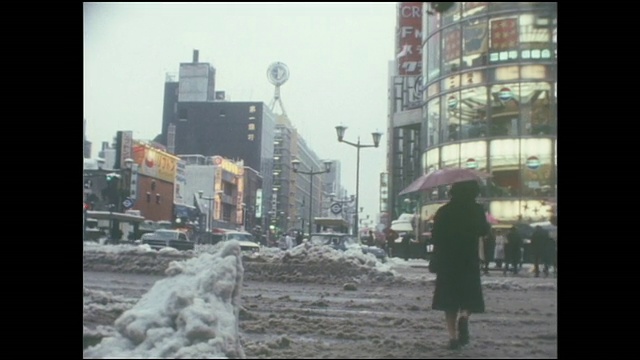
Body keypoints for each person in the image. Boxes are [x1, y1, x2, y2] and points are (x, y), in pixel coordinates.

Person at [431, 180, 490, 350]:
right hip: (468, 258)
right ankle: (464, 316)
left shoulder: (444, 211)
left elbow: (436, 237)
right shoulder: (477, 210)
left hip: (447, 260)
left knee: (449, 300)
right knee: (469, 295)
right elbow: (483, 231)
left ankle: (452, 337)